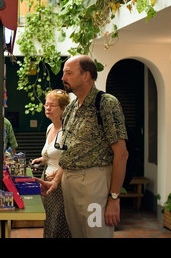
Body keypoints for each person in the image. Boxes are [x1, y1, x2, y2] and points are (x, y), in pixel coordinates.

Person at [35, 54, 129, 238]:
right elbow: (69, 152)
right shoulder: (70, 109)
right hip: (69, 183)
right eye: (64, 73)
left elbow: (121, 154)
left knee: (95, 233)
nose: (63, 78)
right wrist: (55, 181)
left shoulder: (105, 103)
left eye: (69, 73)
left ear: (86, 75)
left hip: (94, 184)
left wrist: (114, 198)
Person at [32, 89, 71, 238]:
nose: (47, 108)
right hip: (47, 181)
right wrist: (43, 160)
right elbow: (53, 154)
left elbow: (69, 157)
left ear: (63, 108)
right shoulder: (50, 128)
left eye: (52, 105)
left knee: (59, 225)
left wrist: (58, 175)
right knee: (49, 223)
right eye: (46, 105)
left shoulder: (67, 130)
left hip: (61, 184)